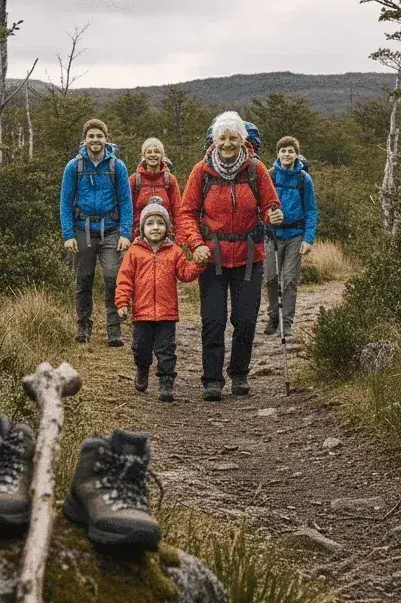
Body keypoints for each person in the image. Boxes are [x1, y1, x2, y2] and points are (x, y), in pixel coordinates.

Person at [179, 111, 283, 401]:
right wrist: (195, 243)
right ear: (214, 140)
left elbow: (270, 203)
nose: (227, 143)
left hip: (250, 256)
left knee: (245, 319)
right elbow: (186, 213)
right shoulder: (201, 171)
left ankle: (239, 374)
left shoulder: (255, 170)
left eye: (233, 137)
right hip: (211, 257)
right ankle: (212, 379)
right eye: (222, 137)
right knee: (213, 320)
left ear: (242, 140)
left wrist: (273, 213)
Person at [115, 199, 204, 402]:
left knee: (166, 351)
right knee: (141, 348)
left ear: (167, 227)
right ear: (142, 228)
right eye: (150, 223)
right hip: (141, 313)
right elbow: (124, 280)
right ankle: (142, 370)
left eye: (160, 223)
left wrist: (198, 264)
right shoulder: (134, 252)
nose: (155, 227)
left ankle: (166, 383)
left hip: (166, 314)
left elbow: (185, 273)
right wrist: (122, 303)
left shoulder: (174, 252)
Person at [59, 118, 133, 346]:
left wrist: (125, 233)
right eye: (91, 136)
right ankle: (83, 327)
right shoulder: (74, 166)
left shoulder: (116, 166)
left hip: (111, 231)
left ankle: (114, 331)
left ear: (105, 138)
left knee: (112, 279)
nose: (95, 140)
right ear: (85, 139)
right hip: (83, 231)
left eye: (99, 136)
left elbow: (126, 201)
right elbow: (65, 201)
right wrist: (68, 234)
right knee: (84, 280)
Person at [264, 135, 318, 340]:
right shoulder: (270, 176)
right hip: (273, 235)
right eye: (283, 151)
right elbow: (261, 204)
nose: (287, 154)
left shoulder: (304, 179)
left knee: (289, 280)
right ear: (278, 153)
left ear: (296, 154)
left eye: (290, 151)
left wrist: (308, 238)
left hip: (296, 235)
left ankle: (286, 322)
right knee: (270, 278)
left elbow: (311, 210)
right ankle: (273, 316)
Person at [129, 137, 182, 238]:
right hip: (138, 235)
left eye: (157, 152)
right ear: (144, 155)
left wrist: (180, 238)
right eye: (149, 152)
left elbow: (177, 211)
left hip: (165, 235)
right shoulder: (134, 180)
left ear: (162, 155)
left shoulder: (169, 180)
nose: (153, 155)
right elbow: (128, 210)